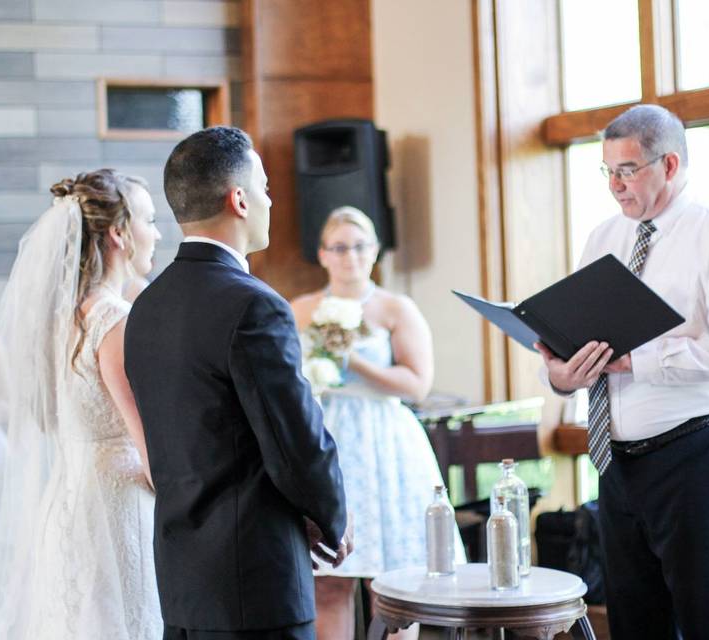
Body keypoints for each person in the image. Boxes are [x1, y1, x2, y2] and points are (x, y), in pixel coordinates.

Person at [537, 104, 709, 639]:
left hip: (700, 458)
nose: (615, 186)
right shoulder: (603, 238)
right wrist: (562, 372)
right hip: (618, 465)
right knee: (636, 625)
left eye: (626, 171)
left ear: (669, 165)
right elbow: (589, 339)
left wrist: (636, 360)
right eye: (608, 172)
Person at [124, 126, 350, 640]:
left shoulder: (147, 308)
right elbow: (293, 441)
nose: (272, 200)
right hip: (255, 574)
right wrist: (331, 516)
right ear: (240, 200)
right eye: (266, 187)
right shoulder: (252, 304)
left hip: (183, 578)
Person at [0, 169, 163, 639]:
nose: (158, 232)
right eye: (149, 218)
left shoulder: (63, 317)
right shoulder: (114, 321)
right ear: (119, 233)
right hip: (117, 508)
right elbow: (150, 448)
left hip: (68, 495)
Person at [290, 207, 464, 640]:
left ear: (374, 252)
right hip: (326, 435)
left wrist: (353, 363)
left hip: (383, 440)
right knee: (327, 579)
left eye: (359, 246)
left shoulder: (394, 308)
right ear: (323, 254)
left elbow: (417, 384)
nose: (350, 256)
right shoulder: (300, 309)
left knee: (391, 583)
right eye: (339, 247)